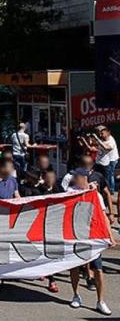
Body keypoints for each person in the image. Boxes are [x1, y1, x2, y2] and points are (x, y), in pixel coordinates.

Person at [67, 168, 114, 315]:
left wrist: (110, 236)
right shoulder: (70, 192)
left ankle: (100, 301)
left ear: (84, 178)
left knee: (98, 269)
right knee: (74, 267)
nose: (74, 178)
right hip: (75, 236)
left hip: (92, 237)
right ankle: (76, 295)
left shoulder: (96, 195)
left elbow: (103, 216)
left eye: (76, 176)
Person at [94, 125, 118, 195]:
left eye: (102, 133)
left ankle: (111, 191)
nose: (100, 134)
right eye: (99, 132)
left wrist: (97, 139)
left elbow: (106, 148)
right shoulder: (102, 139)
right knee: (108, 176)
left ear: (108, 133)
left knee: (110, 175)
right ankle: (108, 190)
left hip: (112, 159)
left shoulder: (111, 140)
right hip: (105, 160)